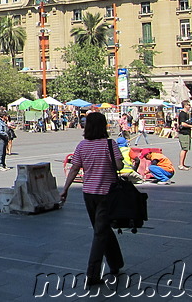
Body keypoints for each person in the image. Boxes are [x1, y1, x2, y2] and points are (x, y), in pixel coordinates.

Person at [59, 112, 124, 286]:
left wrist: (65, 189)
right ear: (104, 126)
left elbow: (74, 169)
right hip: (107, 194)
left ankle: (116, 263)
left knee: (101, 228)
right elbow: (119, 166)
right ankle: (93, 274)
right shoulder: (110, 144)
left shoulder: (82, 146)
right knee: (100, 232)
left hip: (88, 194)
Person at [177, 100, 192, 170]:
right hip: (183, 133)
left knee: (186, 149)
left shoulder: (187, 114)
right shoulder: (182, 114)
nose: (190, 106)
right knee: (184, 149)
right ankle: (181, 165)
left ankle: (183, 164)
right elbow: (183, 124)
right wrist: (191, 126)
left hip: (187, 132)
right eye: (189, 105)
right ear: (185, 106)